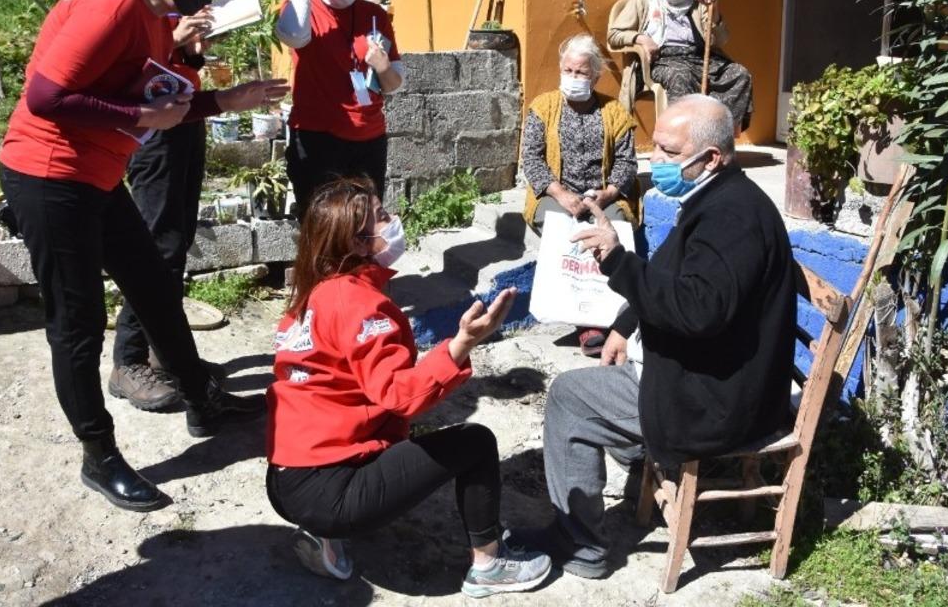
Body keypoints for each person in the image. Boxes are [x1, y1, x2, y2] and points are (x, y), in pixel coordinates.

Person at [0, 0, 285, 513]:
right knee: (77, 321)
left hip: (97, 174)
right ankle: (98, 456)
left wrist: (224, 100)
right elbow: (46, 96)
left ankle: (203, 401)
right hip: (49, 174)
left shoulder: (160, 17)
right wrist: (135, 120)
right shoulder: (113, 3)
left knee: (154, 287)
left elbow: (159, 101)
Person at [512, 95, 796, 578]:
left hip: (718, 402)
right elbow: (671, 274)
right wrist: (626, 324)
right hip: (713, 376)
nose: (655, 162)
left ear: (710, 157)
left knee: (569, 397)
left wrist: (617, 260)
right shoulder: (713, 199)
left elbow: (696, 310)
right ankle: (629, 456)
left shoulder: (731, 218)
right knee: (596, 382)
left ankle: (582, 546)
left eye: (667, 152)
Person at [264, 177, 552, 597]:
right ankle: (490, 566)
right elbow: (400, 396)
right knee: (475, 443)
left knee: (395, 437)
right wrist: (461, 344)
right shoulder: (357, 302)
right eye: (383, 217)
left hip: (285, 481)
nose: (394, 220)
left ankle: (326, 538)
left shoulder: (312, 294)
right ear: (359, 243)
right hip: (329, 492)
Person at [86, 0, 237, 412]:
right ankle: (128, 362)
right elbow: (117, 64)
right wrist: (174, 42)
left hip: (180, 114)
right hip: (147, 125)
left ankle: (166, 356)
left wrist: (193, 49)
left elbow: (172, 61)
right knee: (154, 245)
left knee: (177, 238)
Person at [520, 33, 639, 356]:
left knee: (611, 232)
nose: (573, 78)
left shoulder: (614, 111)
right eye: (569, 71)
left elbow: (628, 161)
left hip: (604, 196)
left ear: (596, 75)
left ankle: (614, 316)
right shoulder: (543, 107)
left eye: (582, 72)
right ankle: (587, 323)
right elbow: (531, 158)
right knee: (568, 233)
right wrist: (561, 194)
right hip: (556, 195)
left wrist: (607, 194)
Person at [274, 0, 405, 217]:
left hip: (369, 141)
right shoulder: (304, 9)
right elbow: (292, 34)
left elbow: (394, 84)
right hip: (319, 140)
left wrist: (383, 67)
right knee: (323, 232)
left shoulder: (374, 15)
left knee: (365, 229)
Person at [607, 0, 753, 131]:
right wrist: (641, 39)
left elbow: (720, 41)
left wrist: (713, 9)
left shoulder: (698, 0)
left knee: (740, 74)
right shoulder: (645, 0)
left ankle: (718, 132)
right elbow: (614, 35)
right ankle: (680, 135)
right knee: (680, 76)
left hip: (698, 58)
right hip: (662, 59)